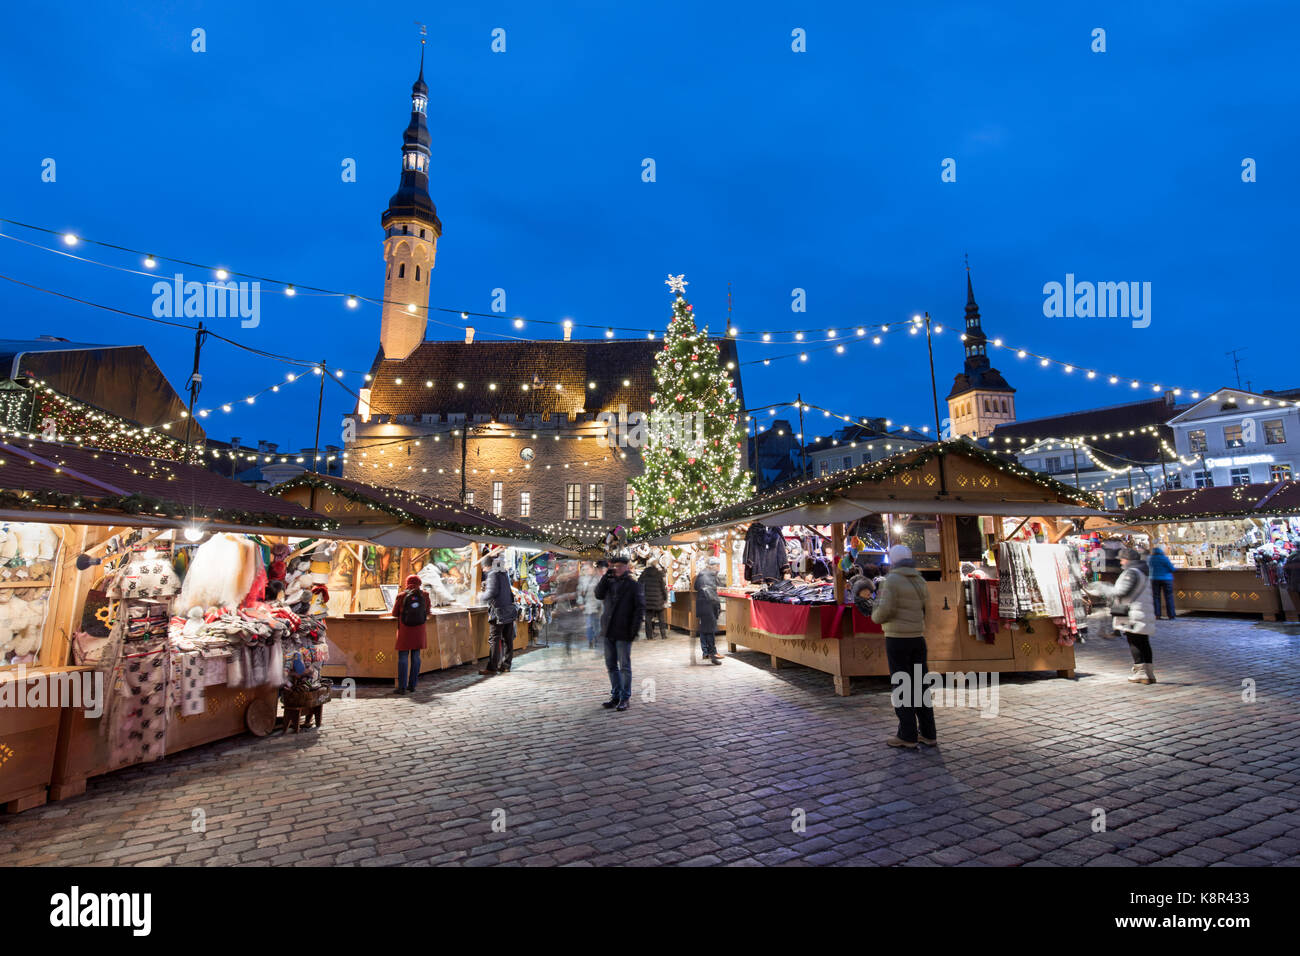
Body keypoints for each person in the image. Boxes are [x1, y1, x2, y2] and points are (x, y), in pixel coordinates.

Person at [871, 544, 935, 749]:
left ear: (893, 560)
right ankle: (928, 732)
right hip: (918, 638)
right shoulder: (920, 580)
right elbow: (929, 610)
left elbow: (883, 610)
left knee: (902, 685)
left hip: (897, 639)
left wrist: (875, 616)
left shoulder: (890, 581)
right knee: (920, 685)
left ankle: (907, 734)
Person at [595, 554, 643, 711]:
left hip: (624, 630)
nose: (618, 569)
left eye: (621, 566)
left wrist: (633, 631)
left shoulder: (632, 585)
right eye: (615, 566)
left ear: (627, 567)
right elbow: (598, 594)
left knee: (624, 666)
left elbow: (639, 609)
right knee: (611, 665)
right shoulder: (609, 581)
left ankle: (625, 697)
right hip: (609, 629)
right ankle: (615, 695)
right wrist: (605, 577)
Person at [1110, 548, 1156, 684]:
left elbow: (1122, 591)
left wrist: (1106, 589)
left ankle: (1141, 672)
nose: (1120, 562)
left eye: (1122, 559)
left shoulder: (1131, 572)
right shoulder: (1143, 572)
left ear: (1128, 560)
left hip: (1133, 612)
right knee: (1143, 641)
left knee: (1135, 641)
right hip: (1142, 610)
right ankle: (1148, 672)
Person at [478, 550, 518, 675]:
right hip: (509, 610)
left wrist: (480, 597)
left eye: (484, 567)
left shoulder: (493, 574)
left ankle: (492, 667)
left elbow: (492, 592)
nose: (484, 570)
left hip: (498, 612)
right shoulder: (503, 573)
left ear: (488, 565)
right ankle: (506, 665)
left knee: (494, 639)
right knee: (508, 639)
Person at [390, 574, 429, 694]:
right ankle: (412, 685)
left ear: (407, 583)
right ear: (419, 583)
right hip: (419, 630)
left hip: (405, 630)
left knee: (403, 657)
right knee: (416, 657)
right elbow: (427, 611)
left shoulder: (401, 595)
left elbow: (394, 613)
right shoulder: (425, 595)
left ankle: (402, 687)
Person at [693, 557, 724, 664]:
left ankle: (705, 652)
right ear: (712, 566)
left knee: (704, 628)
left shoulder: (701, 574)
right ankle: (713, 653)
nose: (719, 568)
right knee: (710, 629)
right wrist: (717, 607)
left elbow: (696, 587)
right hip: (709, 605)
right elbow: (712, 593)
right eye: (717, 565)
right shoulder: (711, 575)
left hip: (701, 604)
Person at [639, 557, 669, 640]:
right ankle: (663, 635)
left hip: (647, 599)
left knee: (648, 618)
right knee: (661, 618)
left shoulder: (644, 573)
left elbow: (639, 582)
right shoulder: (658, 573)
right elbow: (662, 587)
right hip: (658, 599)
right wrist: (665, 597)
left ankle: (649, 636)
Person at [577, 561, 604, 648]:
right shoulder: (582, 580)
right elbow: (579, 593)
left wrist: (600, 602)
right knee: (589, 625)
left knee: (596, 625)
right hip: (587, 606)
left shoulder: (598, 578)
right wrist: (580, 602)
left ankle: (596, 641)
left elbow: (602, 593)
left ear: (592, 569)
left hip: (597, 606)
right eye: (584, 569)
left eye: (588, 569)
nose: (586, 571)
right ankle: (590, 641)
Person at [1147, 545, 1177, 620]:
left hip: (1154, 579)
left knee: (1156, 597)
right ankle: (1171, 615)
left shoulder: (1150, 559)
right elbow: (1172, 569)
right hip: (1166, 579)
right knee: (1169, 596)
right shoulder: (1164, 558)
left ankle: (1157, 614)